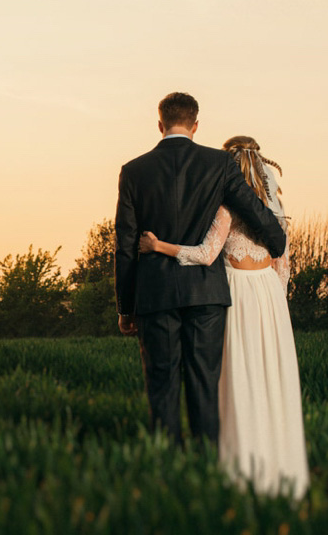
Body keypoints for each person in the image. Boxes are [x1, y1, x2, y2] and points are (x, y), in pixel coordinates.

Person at [139, 136, 309, 498]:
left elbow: (205, 254)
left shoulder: (225, 209)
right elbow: (284, 267)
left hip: (237, 292)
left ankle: (238, 465)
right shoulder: (275, 213)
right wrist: (277, 307)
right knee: (269, 377)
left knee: (235, 376)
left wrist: (158, 246)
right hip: (268, 296)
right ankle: (279, 465)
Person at [114, 93, 286, 452]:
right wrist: (276, 241)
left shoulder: (133, 171)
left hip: (155, 292)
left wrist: (126, 308)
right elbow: (254, 211)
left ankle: (167, 459)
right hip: (206, 294)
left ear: (160, 125)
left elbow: (126, 244)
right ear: (195, 125)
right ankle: (206, 458)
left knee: (161, 382)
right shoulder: (219, 164)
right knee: (205, 381)